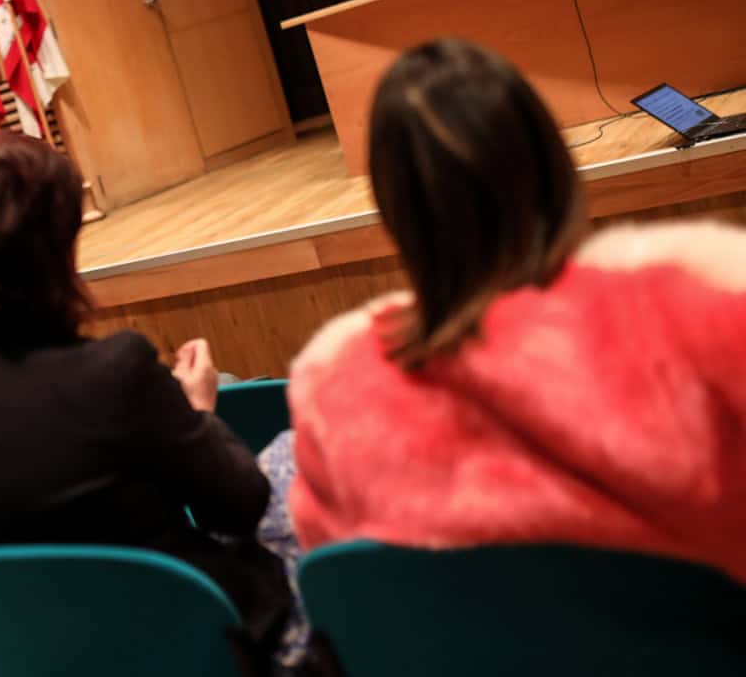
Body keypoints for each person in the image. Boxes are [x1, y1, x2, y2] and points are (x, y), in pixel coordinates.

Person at [286, 39, 746, 583]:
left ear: (393, 209)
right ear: (553, 165)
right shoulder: (701, 309)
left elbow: (351, 582)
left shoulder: (334, 393)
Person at [0, 132, 294, 657]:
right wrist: (198, 411)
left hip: (40, 653)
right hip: (181, 640)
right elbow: (239, 507)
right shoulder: (117, 370)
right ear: (57, 247)